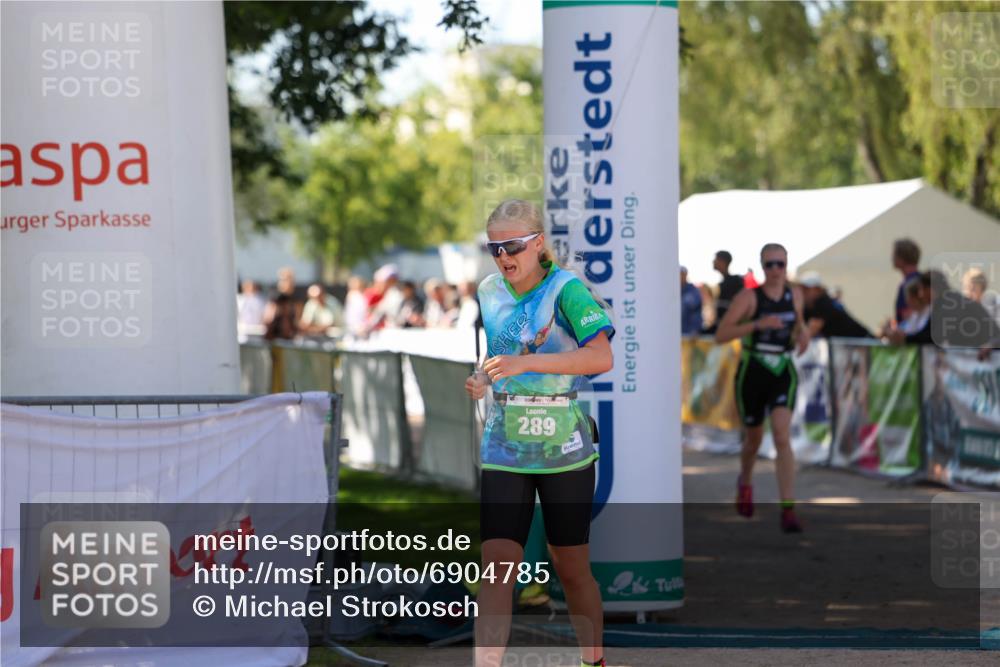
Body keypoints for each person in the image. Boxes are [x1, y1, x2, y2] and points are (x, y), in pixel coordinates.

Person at [464, 199, 613, 667]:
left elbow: (600, 358)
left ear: (538, 243)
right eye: (496, 248)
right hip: (506, 443)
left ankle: (594, 662)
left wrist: (526, 362)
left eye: (514, 246)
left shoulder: (567, 290)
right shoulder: (489, 290)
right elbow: (501, 351)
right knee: (497, 568)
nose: (505, 257)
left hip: (563, 448)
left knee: (571, 570)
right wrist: (483, 378)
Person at [716, 243, 810, 533]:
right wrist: (756, 325)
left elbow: (799, 325)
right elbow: (721, 334)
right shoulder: (749, 297)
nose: (775, 271)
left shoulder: (795, 294)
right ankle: (745, 481)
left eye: (779, 264)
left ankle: (788, 508)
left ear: (786, 264)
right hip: (753, 370)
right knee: (754, 440)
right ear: (761, 266)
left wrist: (803, 334)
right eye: (769, 265)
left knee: (782, 436)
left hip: (782, 369)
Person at [798, 271, 872, 338]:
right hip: (850, 344)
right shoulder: (812, 304)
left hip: (862, 341)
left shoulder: (823, 303)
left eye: (806, 289)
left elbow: (810, 333)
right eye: (802, 288)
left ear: (817, 289)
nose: (802, 292)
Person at [711, 250, 745, 331]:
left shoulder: (735, 281)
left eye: (716, 259)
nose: (713, 262)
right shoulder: (723, 283)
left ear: (723, 262)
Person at [891, 238, 921, 325]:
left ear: (902, 258)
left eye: (894, 255)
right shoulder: (919, 280)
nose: (892, 258)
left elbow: (910, 315)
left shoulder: (910, 284)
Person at [680, 266, 703, 335]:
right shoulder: (670, 290)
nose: (680, 276)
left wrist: (695, 330)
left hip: (689, 333)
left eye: (682, 274)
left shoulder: (693, 291)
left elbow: (695, 311)